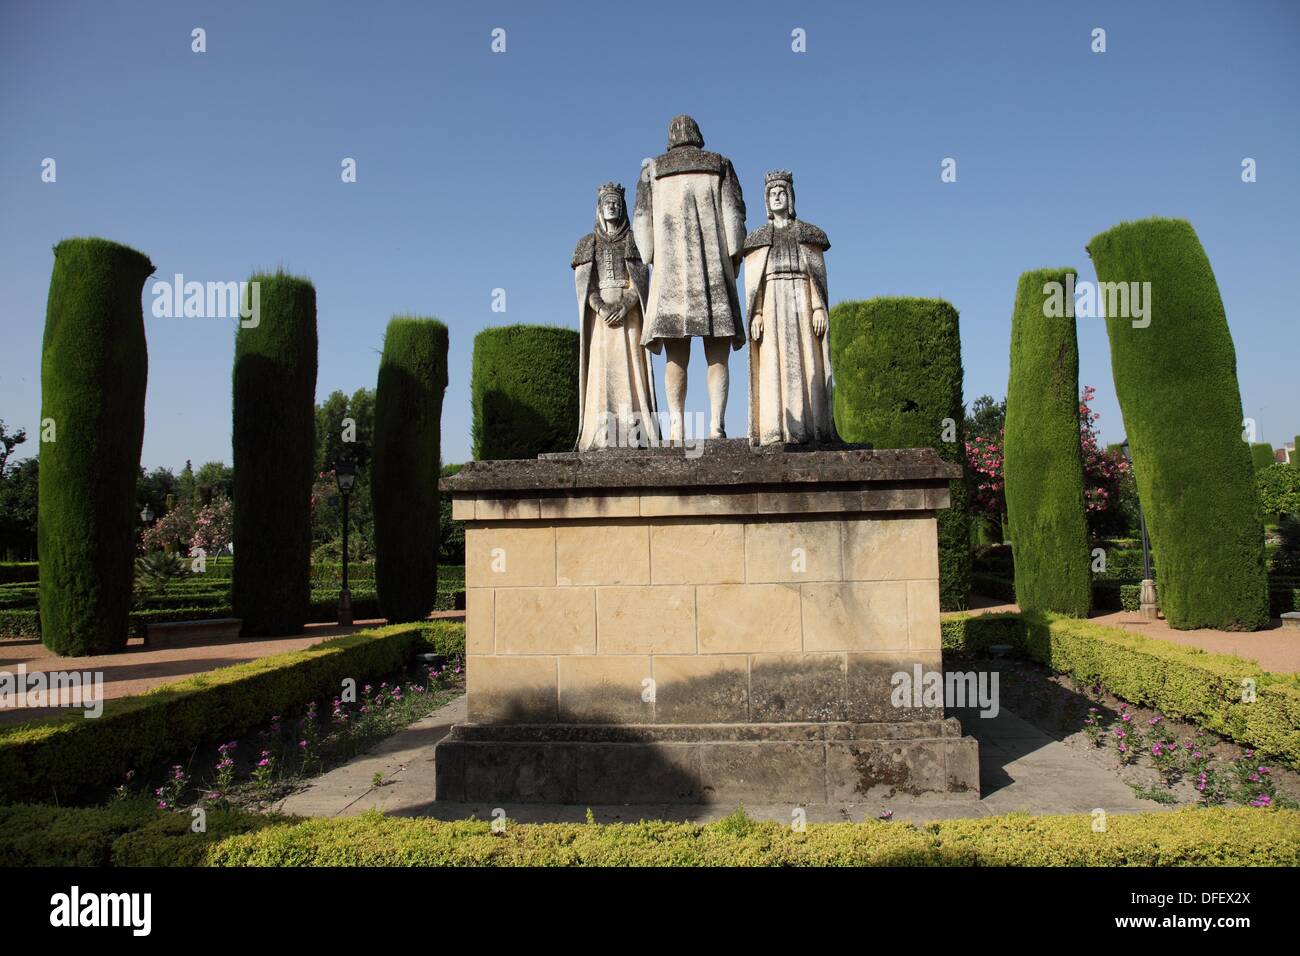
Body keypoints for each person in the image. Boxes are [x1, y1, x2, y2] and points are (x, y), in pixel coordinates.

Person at [633, 115, 746, 441]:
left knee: (676, 354)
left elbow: (642, 226)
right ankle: (716, 425)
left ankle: (677, 426)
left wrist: (653, 258)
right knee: (717, 350)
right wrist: (733, 257)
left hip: (671, 274)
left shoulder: (652, 170)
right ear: (698, 135)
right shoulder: (720, 165)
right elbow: (735, 221)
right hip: (712, 271)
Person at [742, 170, 836, 446]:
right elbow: (755, 282)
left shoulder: (807, 235)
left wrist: (818, 307)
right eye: (772, 193)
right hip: (771, 300)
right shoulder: (758, 239)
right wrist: (757, 312)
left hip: (800, 299)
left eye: (781, 191)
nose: (777, 197)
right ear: (766, 201)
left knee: (806, 360)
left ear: (791, 196)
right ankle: (775, 429)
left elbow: (815, 278)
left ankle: (807, 428)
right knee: (772, 362)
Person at [571, 182, 659, 450]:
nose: (612, 206)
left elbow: (642, 283)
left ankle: (635, 432)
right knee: (601, 373)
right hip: (600, 322)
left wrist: (627, 303)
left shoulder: (634, 242)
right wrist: (599, 306)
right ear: (599, 208)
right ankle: (599, 433)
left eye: (616, 202)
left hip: (629, 317)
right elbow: (585, 286)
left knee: (632, 370)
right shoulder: (588, 243)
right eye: (607, 202)